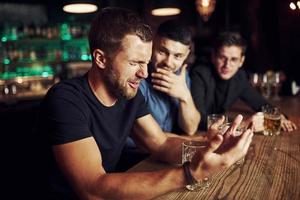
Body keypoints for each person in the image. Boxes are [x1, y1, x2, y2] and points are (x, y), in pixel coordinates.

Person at [37, 8, 254, 200]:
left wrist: (214, 147)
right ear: (101, 59)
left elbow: (160, 144)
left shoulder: (127, 94)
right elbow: (92, 188)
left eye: (146, 62)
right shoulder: (66, 100)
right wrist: (191, 173)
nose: (144, 73)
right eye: (134, 63)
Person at [190, 32, 297, 132]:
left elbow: (261, 104)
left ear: (241, 61)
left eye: (234, 59)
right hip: (195, 135)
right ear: (213, 57)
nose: (227, 65)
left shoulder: (239, 77)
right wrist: (243, 125)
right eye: (222, 58)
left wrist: (279, 116)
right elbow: (199, 120)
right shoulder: (200, 74)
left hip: (219, 134)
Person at [140, 19, 200, 135]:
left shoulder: (181, 75)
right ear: (152, 44)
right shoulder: (138, 76)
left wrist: (185, 96)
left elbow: (190, 129)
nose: (168, 62)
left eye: (178, 56)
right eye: (162, 51)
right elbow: (148, 138)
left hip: (168, 149)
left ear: (186, 54)